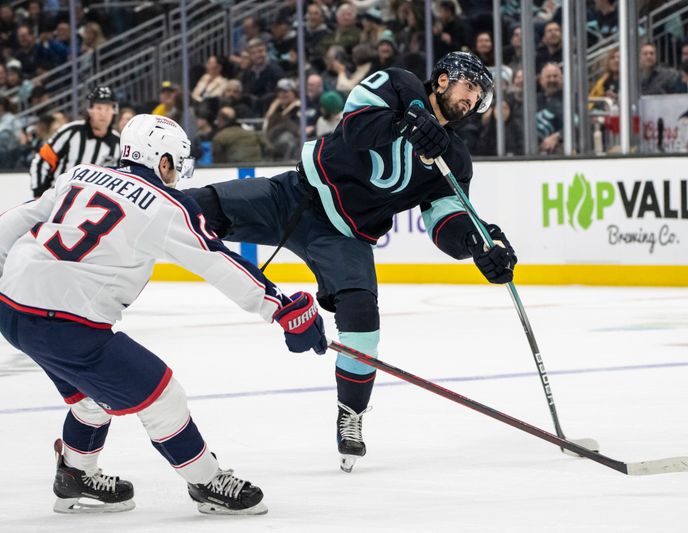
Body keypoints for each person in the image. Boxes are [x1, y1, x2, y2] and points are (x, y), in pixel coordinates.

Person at [184, 51, 515, 473]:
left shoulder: (455, 158)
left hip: (344, 236)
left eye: (480, 96)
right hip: (293, 196)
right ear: (444, 79)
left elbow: (445, 222)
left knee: (364, 323)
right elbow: (355, 129)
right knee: (190, 209)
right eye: (469, 86)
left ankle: (351, 414)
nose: (472, 99)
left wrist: (477, 242)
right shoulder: (399, 85)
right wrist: (405, 122)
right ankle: (127, 212)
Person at [0, 114, 326, 515]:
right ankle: (207, 482)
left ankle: (75, 475)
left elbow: (19, 219)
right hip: (66, 324)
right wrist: (281, 308)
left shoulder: (81, 173)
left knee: (91, 397)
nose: (178, 173)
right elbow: (216, 261)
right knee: (163, 395)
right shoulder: (164, 205)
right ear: (163, 160)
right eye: (178, 162)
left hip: (12, 308)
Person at [30, 85, 120, 198]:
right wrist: (39, 193)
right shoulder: (70, 132)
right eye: (98, 108)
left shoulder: (118, 143)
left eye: (108, 109)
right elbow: (42, 160)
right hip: (59, 200)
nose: (103, 114)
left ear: (114, 111)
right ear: (90, 109)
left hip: (94, 209)